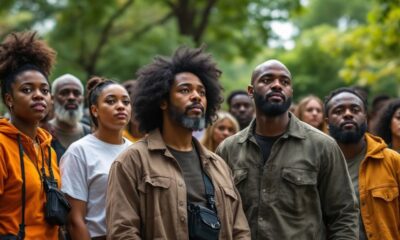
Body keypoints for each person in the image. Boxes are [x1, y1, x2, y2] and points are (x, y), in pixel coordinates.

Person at [106, 46, 250, 239]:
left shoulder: (219, 165)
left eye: (202, 92)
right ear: (162, 101)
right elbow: (123, 232)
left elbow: (240, 230)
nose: (197, 96)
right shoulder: (132, 162)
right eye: (185, 90)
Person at [216, 59, 359, 239]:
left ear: (291, 91)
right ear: (251, 91)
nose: (277, 85)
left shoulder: (323, 146)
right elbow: (219, 214)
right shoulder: (228, 149)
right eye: (267, 80)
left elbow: (344, 215)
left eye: (284, 82)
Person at [0, 32, 60, 239]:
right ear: (9, 99)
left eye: (45, 90)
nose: (38, 95)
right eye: (27, 90)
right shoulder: (1, 145)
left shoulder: (47, 147)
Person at [60, 77, 132, 240]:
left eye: (126, 102)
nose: (121, 106)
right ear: (94, 110)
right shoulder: (79, 151)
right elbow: (74, 220)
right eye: (111, 101)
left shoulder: (135, 150)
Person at [324, 87, 400, 240]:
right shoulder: (317, 165)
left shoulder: (392, 161)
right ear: (327, 122)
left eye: (355, 109)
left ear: (365, 117)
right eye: (338, 111)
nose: (347, 114)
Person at [48, 74, 91, 163]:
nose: (71, 97)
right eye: (64, 93)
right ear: (52, 98)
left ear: (82, 99)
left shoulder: (91, 134)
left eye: (76, 93)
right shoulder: (43, 134)